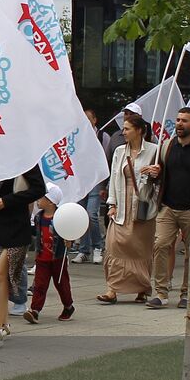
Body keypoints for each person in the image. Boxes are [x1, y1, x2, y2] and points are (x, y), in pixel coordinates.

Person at [148, 107, 190, 308]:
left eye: (184, 120)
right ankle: (161, 292)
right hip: (168, 206)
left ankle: (188, 292)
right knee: (160, 244)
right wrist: (155, 173)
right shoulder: (167, 145)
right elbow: (161, 173)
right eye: (177, 120)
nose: (179, 124)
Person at [0, 165, 46, 349]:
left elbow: (38, 189)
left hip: (16, 228)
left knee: (0, 273)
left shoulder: (24, 159)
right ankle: (3, 324)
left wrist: (8, 201)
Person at [98, 115, 159, 304]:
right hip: (121, 207)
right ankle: (112, 289)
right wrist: (112, 204)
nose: (123, 132)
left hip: (142, 207)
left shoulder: (154, 151)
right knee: (114, 246)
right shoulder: (119, 151)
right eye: (123, 129)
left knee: (141, 250)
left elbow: (160, 181)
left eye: (127, 129)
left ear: (139, 130)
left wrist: (155, 174)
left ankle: (142, 288)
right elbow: (115, 177)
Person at [24, 183, 75, 322]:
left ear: (51, 201)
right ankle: (35, 310)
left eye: (41, 197)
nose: (38, 200)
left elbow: (70, 230)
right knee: (39, 285)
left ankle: (68, 306)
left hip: (58, 258)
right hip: (42, 258)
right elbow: (36, 232)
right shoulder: (39, 217)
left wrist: (70, 240)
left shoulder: (61, 216)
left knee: (62, 284)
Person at [73, 108, 110, 264]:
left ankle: (97, 247)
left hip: (95, 181)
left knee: (91, 215)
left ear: (94, 120)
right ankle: (84, 249)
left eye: (88, 119)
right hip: (81, 181)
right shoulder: (77, 136)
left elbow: (107, 160)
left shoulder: (102, 136)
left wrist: (104, 184)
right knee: (81, 215)